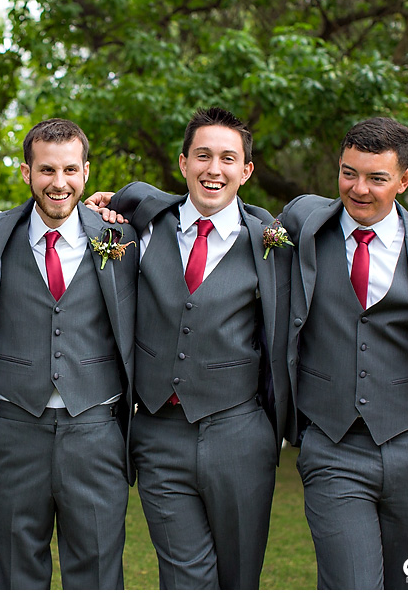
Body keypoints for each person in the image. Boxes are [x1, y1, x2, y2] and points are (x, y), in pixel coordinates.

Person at [278, 116, 408, 589]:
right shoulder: (304, 224)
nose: (359, 189)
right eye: (349, 173)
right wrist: (130, 202)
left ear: (404, 180)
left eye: (377, 178)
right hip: (333, 447)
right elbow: (224, 208)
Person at [86, 106, 292, 589]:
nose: (213, 170)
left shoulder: (271, 242)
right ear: (183, 164)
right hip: (158, 434)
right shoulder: (142, 220)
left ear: (246, 171)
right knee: (183, 579)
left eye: (226, 158)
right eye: (202, 156)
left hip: (240, 435)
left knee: (239, 579)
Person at [0, 118, 137, 589]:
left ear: (86, 171)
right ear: (26, 173)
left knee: (99, 570)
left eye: (69, 170)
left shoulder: (121, 238)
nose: (58, 183)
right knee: (15, 570)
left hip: (96, 430)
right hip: (16, 429)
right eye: (46, 170)